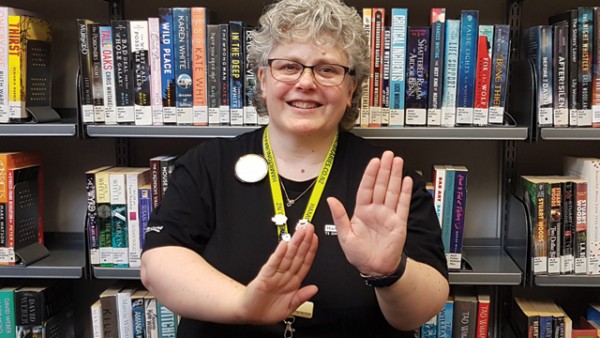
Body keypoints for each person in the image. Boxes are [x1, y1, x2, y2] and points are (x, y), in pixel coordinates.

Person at [140, 0, 449, 336]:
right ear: (262, 80)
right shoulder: (206, 164)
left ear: (351, 90)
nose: (306, 82)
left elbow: (423, 306)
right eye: (288, 66)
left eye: (327, 69)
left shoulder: (388, 176)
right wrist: (246, 304)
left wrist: (389, 271)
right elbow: (159, 264)